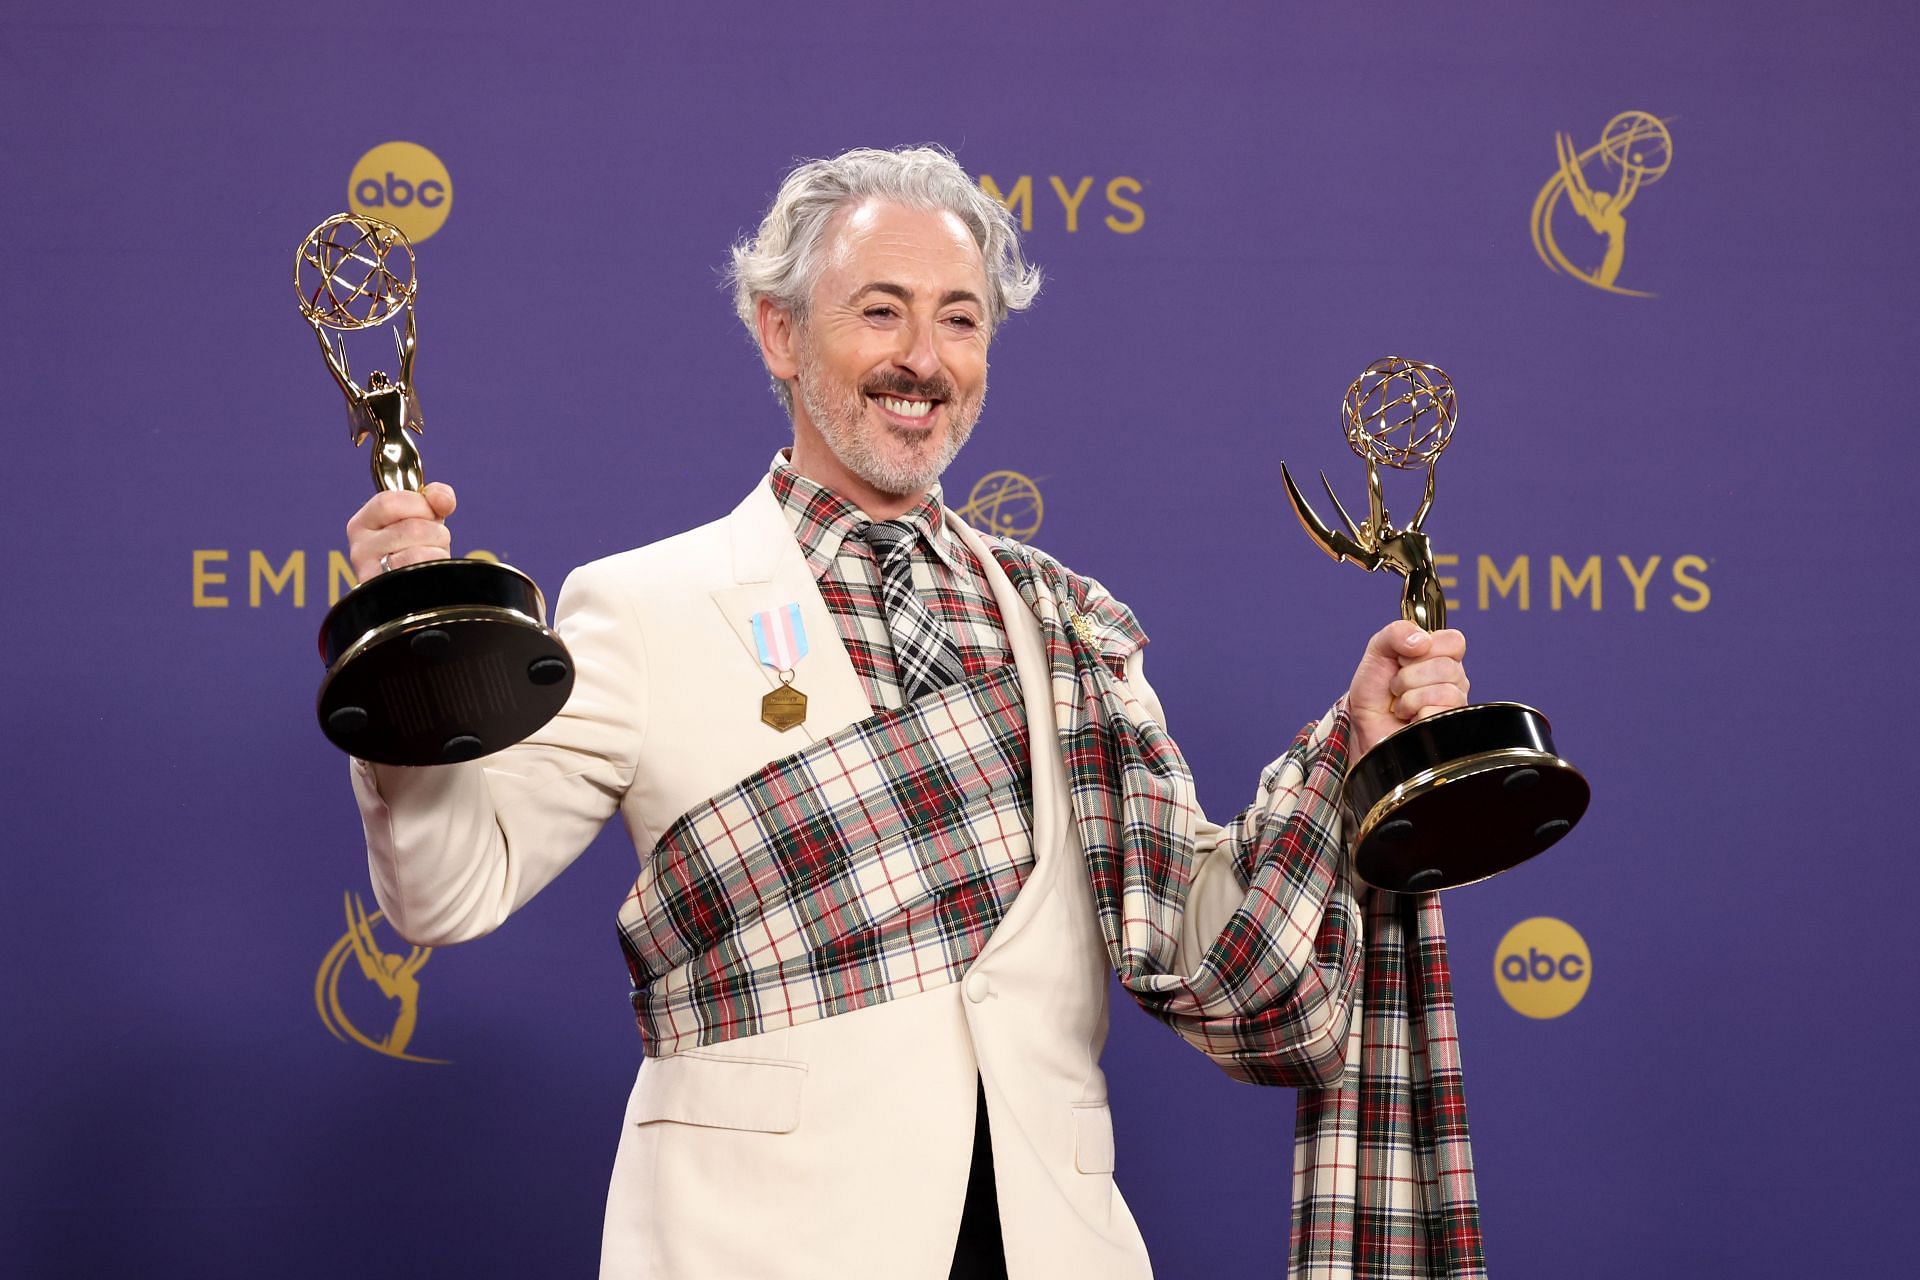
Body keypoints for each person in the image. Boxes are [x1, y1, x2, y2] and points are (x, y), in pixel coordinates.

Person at [343, 146, 1480, 1280]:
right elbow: (448, 887)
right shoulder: (643, 605)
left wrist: (1355, 755)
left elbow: (1197, 936)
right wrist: (408, 660)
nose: (923, 360)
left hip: (1051, 1244)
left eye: (961, 320)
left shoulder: (1068, 619)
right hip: (758, 1244)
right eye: (880, 312)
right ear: (780, 333)